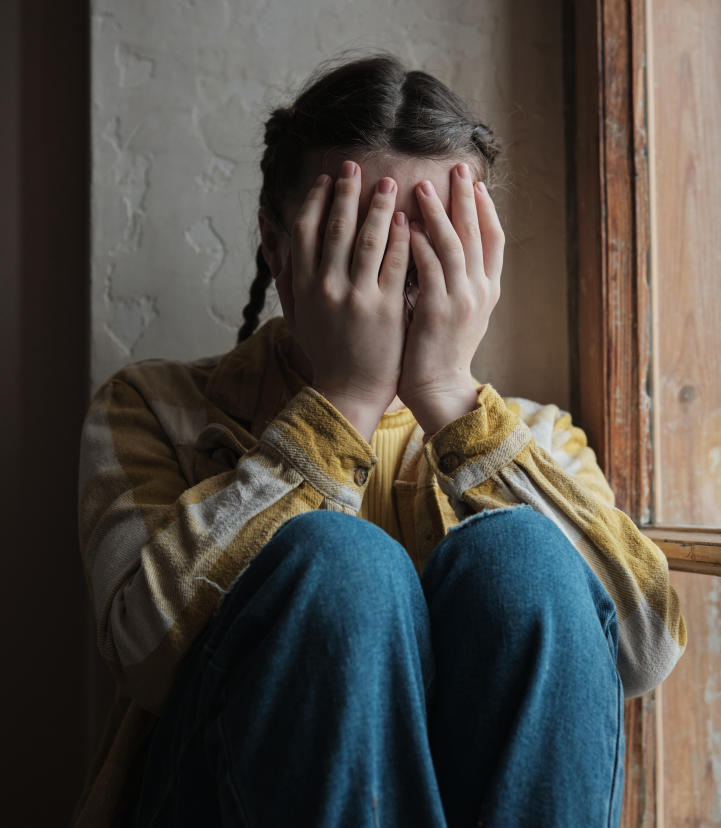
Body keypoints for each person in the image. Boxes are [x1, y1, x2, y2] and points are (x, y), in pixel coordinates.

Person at [75, 53, 686, 828]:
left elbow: (644, 649)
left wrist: (452, 405)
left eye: (434, 237)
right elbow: (143, 657)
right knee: (340, 564)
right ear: (276, 241)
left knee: (524, 557)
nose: (392, 270)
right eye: (354, 235)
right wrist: (342, 403)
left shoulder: (528, 440)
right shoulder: (151, 406)